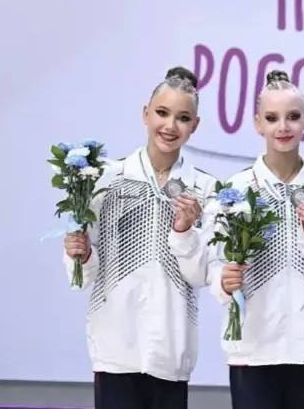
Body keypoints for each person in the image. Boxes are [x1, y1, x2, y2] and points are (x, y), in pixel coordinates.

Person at [171, 70, 304, 409]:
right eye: (272, 118)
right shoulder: (234, 191)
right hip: (250, 348)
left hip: (302, 348)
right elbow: (211, 266)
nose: (283, 127)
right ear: (257, 123)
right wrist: (224, 282)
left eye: (293, 117)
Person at [63, 66, 217, 409]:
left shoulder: (205, 189)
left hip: (171, 348)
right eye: (162, 113)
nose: (170, 125)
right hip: (115, 347)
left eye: (182, 118)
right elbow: (82, 277)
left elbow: (201, 275)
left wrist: (185, 230)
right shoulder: (105, 180)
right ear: (145, 114)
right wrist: (81, 254)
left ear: (195, 125)